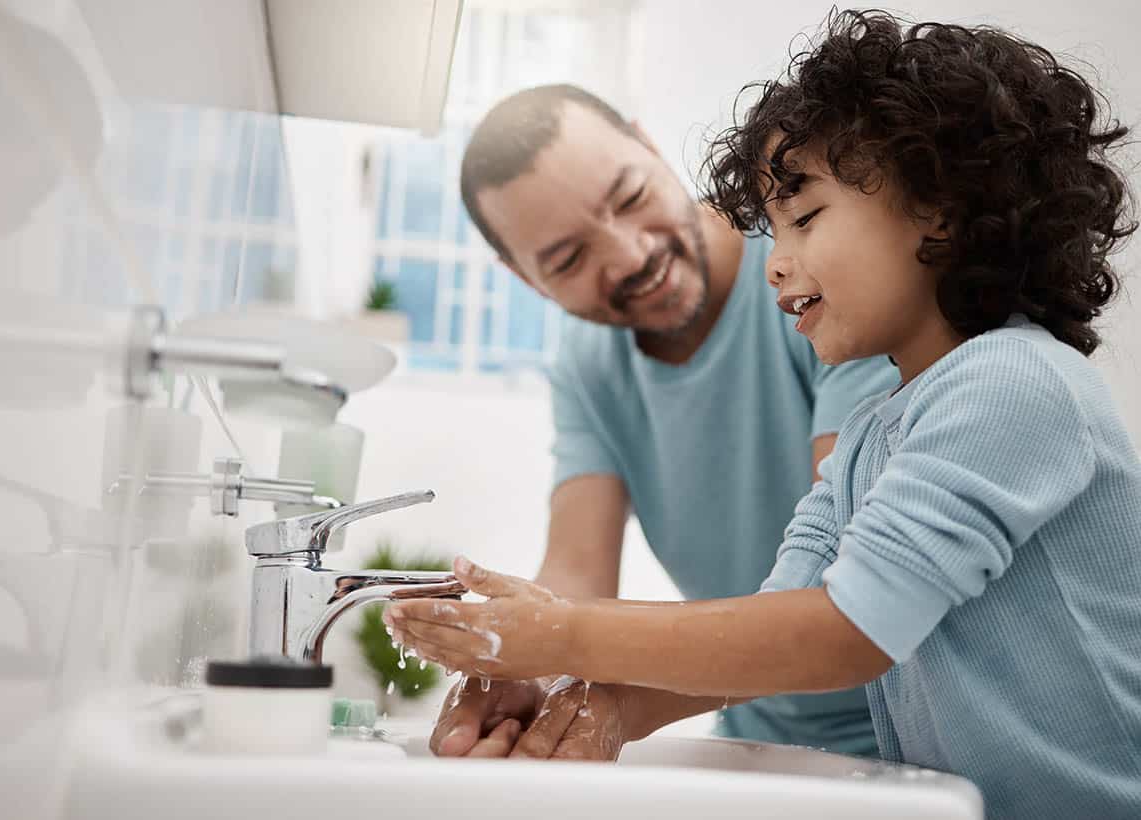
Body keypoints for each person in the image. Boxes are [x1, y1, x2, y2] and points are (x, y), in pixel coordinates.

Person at [387, 11, 1141, 819]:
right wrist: (602, 705)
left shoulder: (1013, 384)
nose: (773, 261)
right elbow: (784, 616)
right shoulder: (872, 434)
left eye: (804, 219)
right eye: (772, 226)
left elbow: (846, 629)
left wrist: (562, 636)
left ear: (941, 208)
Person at [426, 83, 897, 761]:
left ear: (651, 147)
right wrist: (524, 669)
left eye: (629, 197)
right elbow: (576, 569)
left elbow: (842, 572)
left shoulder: (812, 280)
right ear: (527, 281)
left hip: (911, 732)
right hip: (759, 744)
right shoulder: (590, 364)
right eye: (566, 259)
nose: (628, 255)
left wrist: (585, 663)